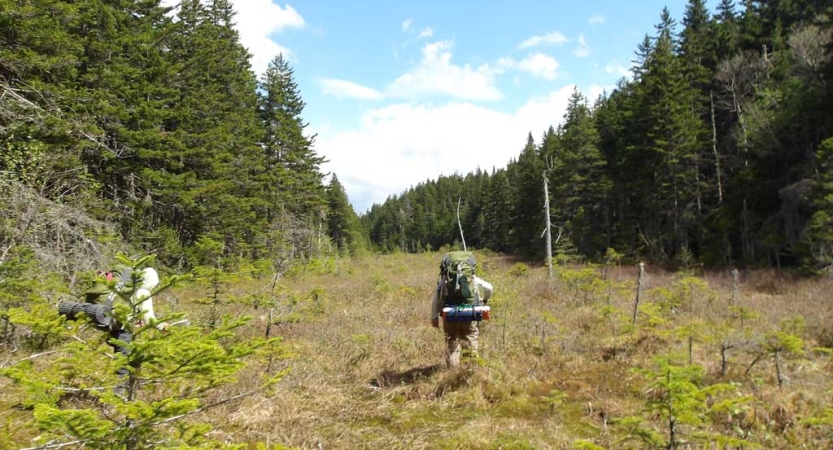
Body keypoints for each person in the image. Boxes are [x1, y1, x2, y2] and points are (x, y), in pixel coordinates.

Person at [430, 271, 493, 368]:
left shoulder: (445, 279)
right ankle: (471, 371)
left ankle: (452, 372)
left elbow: (436, 298)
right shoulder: (472, 277)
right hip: (469, 315)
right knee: (470, 340)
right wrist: (485, 300)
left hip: (450, 316)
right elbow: (489, 287)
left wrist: (434, 317)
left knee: (452, 343)